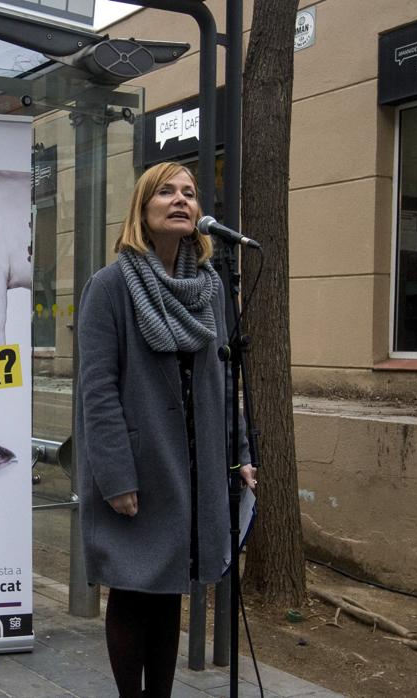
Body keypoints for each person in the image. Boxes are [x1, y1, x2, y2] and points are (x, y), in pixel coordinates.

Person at [75, 162, 257, 697]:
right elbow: (97, 389)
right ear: (143, 208)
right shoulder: (108, 287)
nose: (181, 200)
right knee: (134, 591)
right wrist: (114, 474)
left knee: (170, 593)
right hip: (139, 465)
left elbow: (225, 378)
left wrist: (240, 451)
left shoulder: (210, 290)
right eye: (167, 192)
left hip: (194, 467)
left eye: (190, 193)